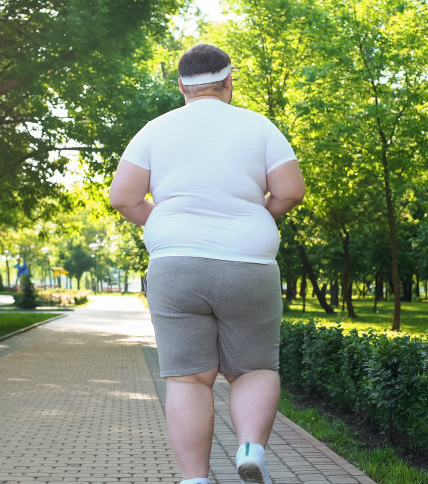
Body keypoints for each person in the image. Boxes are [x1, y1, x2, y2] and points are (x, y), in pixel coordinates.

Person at [109, 43, 305, 484]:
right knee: (253, 368)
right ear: (229, 83)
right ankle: (251, 448)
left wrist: (162, 221)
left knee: (188, 380)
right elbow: (291, 189)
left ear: (181, 85)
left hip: (176, 265)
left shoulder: (154, 131)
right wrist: (258, 217)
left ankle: (196, 479)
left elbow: (122, 196)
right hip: (249, 265)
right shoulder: (260, 128)